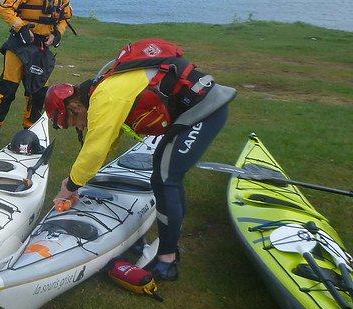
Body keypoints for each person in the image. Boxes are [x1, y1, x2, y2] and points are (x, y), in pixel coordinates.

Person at [44, 43, 236, 281]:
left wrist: (69, 187)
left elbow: (95, 150)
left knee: (166, 179)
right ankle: (171, 245)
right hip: (194, 109)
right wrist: (78, 180)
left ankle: (167, 262)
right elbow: (108, 142)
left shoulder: (104, 96)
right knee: (166, 173)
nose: (80, 126)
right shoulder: (102, 92)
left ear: (74, 106)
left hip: (205, 108)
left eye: (75, 122)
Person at [0, 0, 72, 145]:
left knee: (38, 92)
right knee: (7, 89)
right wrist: (21, 27)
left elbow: (65, 17)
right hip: (18, 46)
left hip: (41, 48)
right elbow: (4, 8)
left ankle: (29, 131)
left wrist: (57, 34)